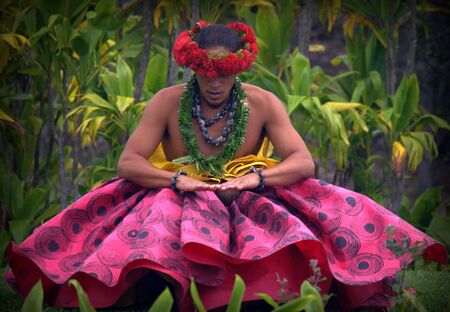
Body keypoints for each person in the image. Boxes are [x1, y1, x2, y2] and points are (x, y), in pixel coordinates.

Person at [5, 21, 447, 311]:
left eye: (224, 73)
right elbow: (128, 162)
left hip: (248, 191)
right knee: (152, 216)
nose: (214, 82)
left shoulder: (263, 102)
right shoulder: (167, 102)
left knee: (328, 210)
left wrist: (255, 178)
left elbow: (303, 161)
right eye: (205, 72)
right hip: (177, 191)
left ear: (239, 68)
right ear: (192, 65)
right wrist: (180, 180)